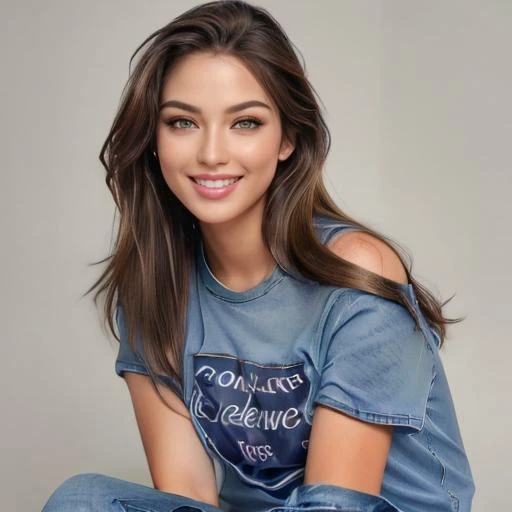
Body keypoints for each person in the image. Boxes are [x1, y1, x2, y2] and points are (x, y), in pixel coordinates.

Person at [42, 1, 475, 511]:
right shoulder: (153, 287)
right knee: (82, 500)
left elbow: (337, 502)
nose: (211, 153)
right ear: (154, 139)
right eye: (183, 122)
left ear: (288, 137)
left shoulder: (357, 271)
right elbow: (188, 496)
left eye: (244, 123)